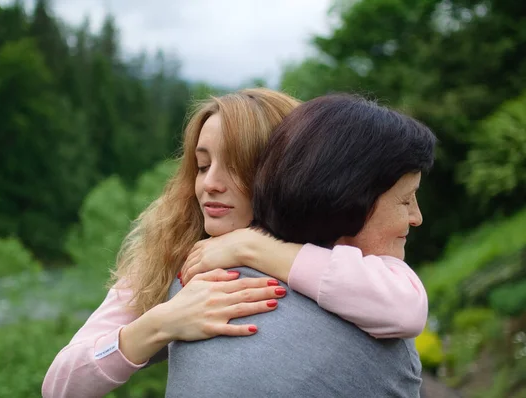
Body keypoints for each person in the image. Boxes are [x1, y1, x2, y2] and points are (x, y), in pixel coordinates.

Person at [42, 89, 429, 398]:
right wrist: (160, 324)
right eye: (203, 164)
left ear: (284, 173)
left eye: (237, 166)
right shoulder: (176, 256)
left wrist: (252, 247)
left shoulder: (331, 249)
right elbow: (60, 386)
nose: (210, 183)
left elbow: (405, 305)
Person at [167, 93, 437, 397]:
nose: (416, 217)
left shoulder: (201, 273)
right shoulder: (384, 333)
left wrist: (251, 247)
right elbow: (406, 308)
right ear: (352, 200)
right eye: (405, 199)